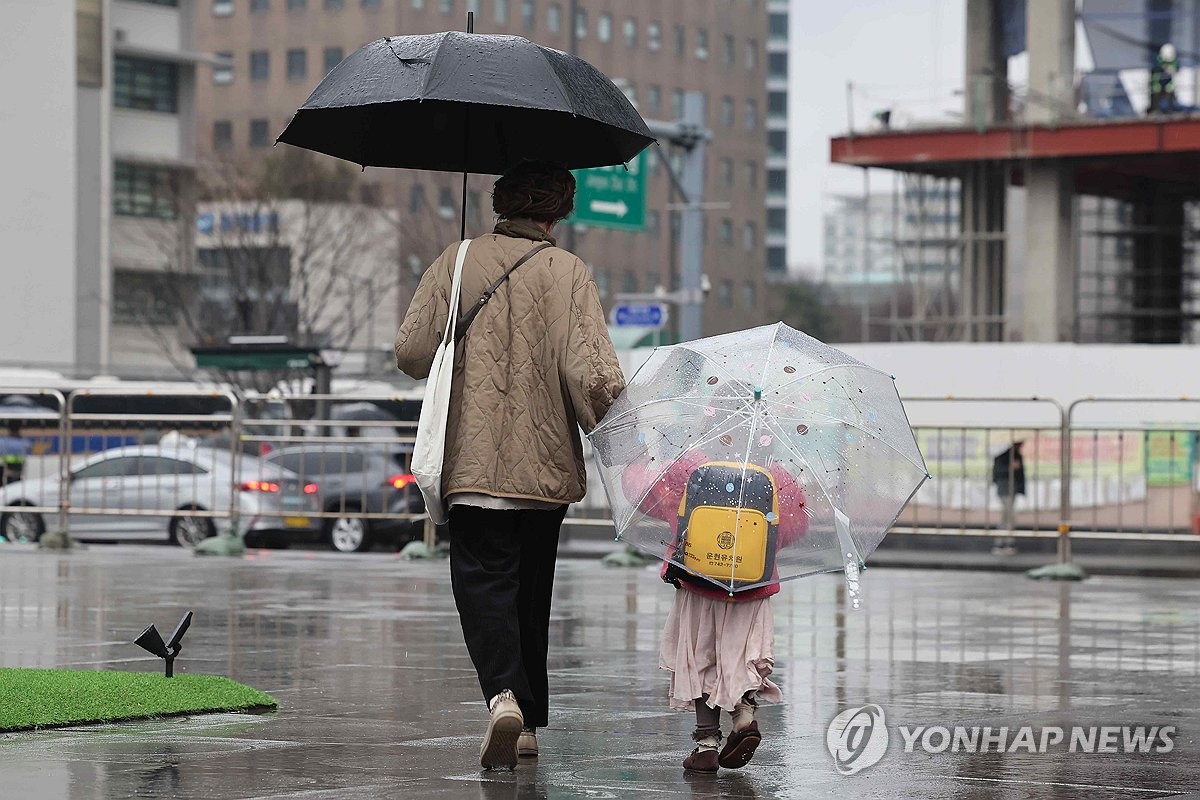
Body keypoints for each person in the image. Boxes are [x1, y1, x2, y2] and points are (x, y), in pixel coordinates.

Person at [394, 161, 625, 769]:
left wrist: (455, 286)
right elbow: (588, 374)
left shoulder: (458, 259)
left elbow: (411, 353)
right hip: (544, 467)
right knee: (531, 592)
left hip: (470, 461)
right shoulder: (570, 272)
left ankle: (502, 698)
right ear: (557, 211)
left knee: (482, 582)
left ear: (500, 203)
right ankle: (526, 724)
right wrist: (613, 423)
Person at [622, 438, 809, 774]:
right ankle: (743, 717)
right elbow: (797, 524)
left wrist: (634, 463)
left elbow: (645, 495)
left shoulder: (688, 466)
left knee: (700, 656)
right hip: (753, 586)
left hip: (698, 581)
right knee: (739, 657)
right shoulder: (775, 473)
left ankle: (706, 745)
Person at [991, 441, 1025, 555]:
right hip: (1005, 489)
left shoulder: (1017, 456)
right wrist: (1010, 468)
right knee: (1007, 517)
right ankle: (1004, 543)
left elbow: (1020, 475)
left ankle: (1005, 542)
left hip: (1012, 489)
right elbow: (996, 474)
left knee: (1008, 517)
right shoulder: (1003, 457)